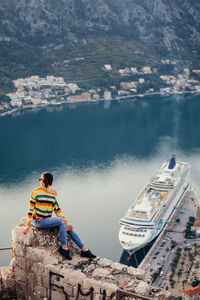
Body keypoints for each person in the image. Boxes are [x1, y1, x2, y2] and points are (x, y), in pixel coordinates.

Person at [23, 172, 96, 260]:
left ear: (47, 181)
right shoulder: (35, 192)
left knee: (68, 227)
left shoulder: (53, 193)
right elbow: (30, 210)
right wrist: (28, 225)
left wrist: (65, 221)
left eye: (42, 180)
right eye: (40, 179)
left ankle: (84, 250)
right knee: (62, 222)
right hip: (38, 221)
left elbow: (57, 209)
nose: (40, 181)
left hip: (48, 220)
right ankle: (64, 248)